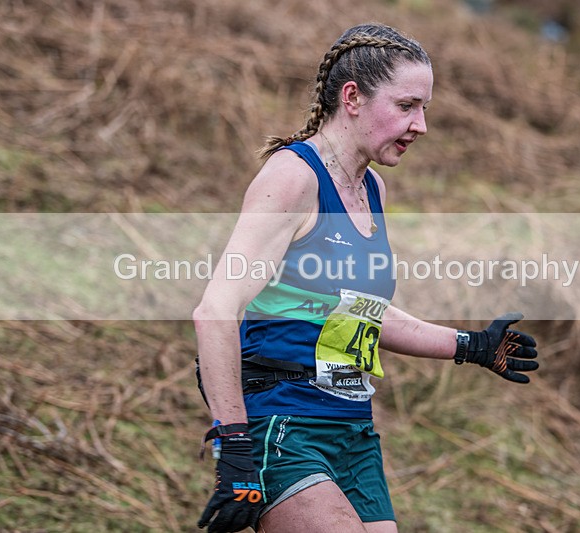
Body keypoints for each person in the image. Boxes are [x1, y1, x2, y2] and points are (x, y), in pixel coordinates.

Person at [192, 23, 539, 533]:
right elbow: (216, 311)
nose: (420, 125)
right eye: (407, 106)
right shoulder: (293, 178)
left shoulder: (369, 185)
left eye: (425, 109)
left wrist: (471, 345)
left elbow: (360, 311)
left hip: (353, 430)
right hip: (285, 424)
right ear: (352, 97)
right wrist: (234, 442)